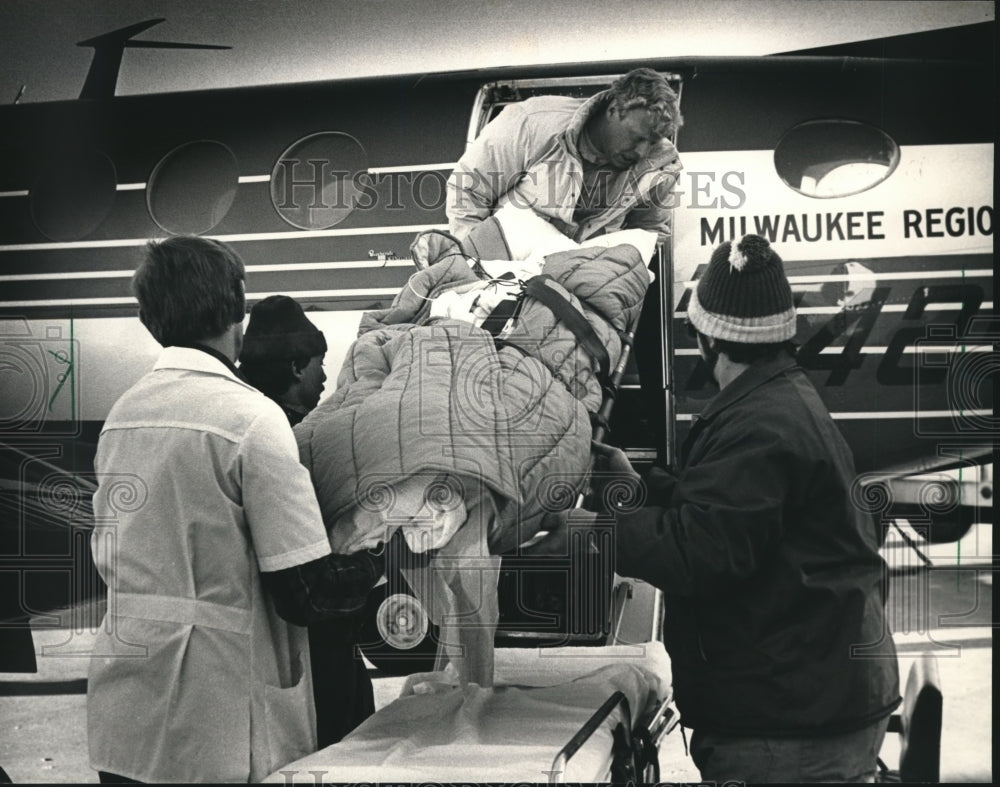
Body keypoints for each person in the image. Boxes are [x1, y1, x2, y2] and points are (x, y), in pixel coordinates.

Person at [526, 234, 901, 783]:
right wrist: (639, 487)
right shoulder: (772, 402)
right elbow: (731, 511)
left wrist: (595, 532)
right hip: (805, 702)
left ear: (705, 339)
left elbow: (702, 551)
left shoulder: (762, 425)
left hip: (789, 727)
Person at [87, 236, 387, 783]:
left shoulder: (122, 416)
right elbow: (307, 591)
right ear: (234, 307)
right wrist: (375, 553)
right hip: (216, 721)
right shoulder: (250, 420)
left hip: (127, 709)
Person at [238, 294, 375, 747]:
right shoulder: (289, 437)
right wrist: (374, 560)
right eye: (319, 363)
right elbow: (310, 585)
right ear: (296, 366)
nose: (323, 376)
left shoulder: (250, 421)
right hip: (318, 651)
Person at [446, 67, 683, 243]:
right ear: (613, 111)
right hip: (508, 279)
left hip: (587, 289)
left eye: (652, 142)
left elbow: (647, 236)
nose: (642, 152)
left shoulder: (661, 166)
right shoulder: (532, 123)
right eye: (638, 137)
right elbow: (467, 189)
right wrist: (476, 264)